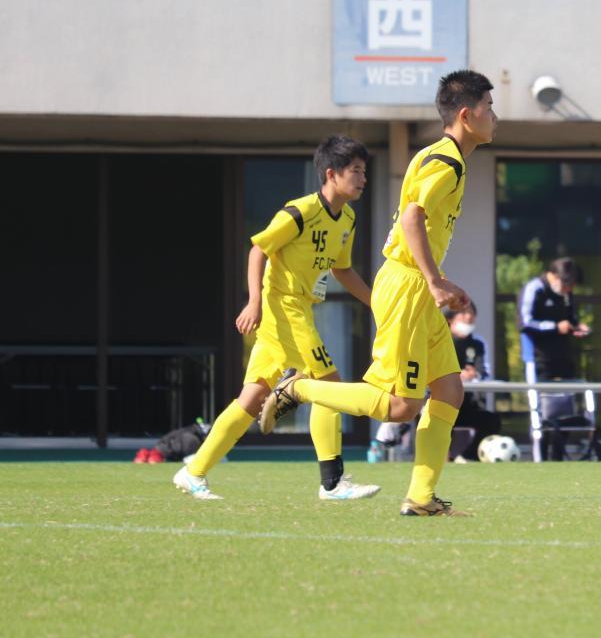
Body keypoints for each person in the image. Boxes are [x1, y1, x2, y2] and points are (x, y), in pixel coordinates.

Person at [260, 69, 497, 516]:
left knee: (449, 390)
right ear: (466, 115)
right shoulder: (445, 162)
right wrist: (434, 280)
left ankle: (421, 498)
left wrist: (437, 281)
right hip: (408, 284)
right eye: (489, 107)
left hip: (415, 285)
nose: (495, 117)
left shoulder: (444, 157)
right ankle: (300, 389)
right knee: (401, 406)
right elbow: (411, 218)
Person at [172, 135, 380, 501]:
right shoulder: (299, 211)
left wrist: (377, 304)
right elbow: (258, 250)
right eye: (356, 171)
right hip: (282, 309)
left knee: (251, 399)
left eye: (364, 171)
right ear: (331, 174)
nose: (363, 178)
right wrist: (253, 301)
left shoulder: (347, 218)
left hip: (299, 312)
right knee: (330, 385)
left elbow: (342, 270)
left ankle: (193, 472)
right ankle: (332, 483)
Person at [519, 257, 591, 460]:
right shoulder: (535, 289)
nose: (569, 290)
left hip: (563, 358)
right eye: (569, 285)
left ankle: (558, 456)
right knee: (540, 411)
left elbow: (571, 318)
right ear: (556, 277)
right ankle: (540, 456)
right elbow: (525, 322)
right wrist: (555, 327)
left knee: (566, 408)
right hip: (538, 359)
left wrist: (577, 327)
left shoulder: (566, 295)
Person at [448, 302, 503, 462]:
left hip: (467, 403)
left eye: (471, 313)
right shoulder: (439, 340)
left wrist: (474, 374)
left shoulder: (477, 344)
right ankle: (441, 459)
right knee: (437, 421)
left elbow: (483, 372)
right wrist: (456, 375)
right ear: (451, 319)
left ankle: (467, 458)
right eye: (463, 313)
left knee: (491, 421)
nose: (468, 317)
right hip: (441, 402)